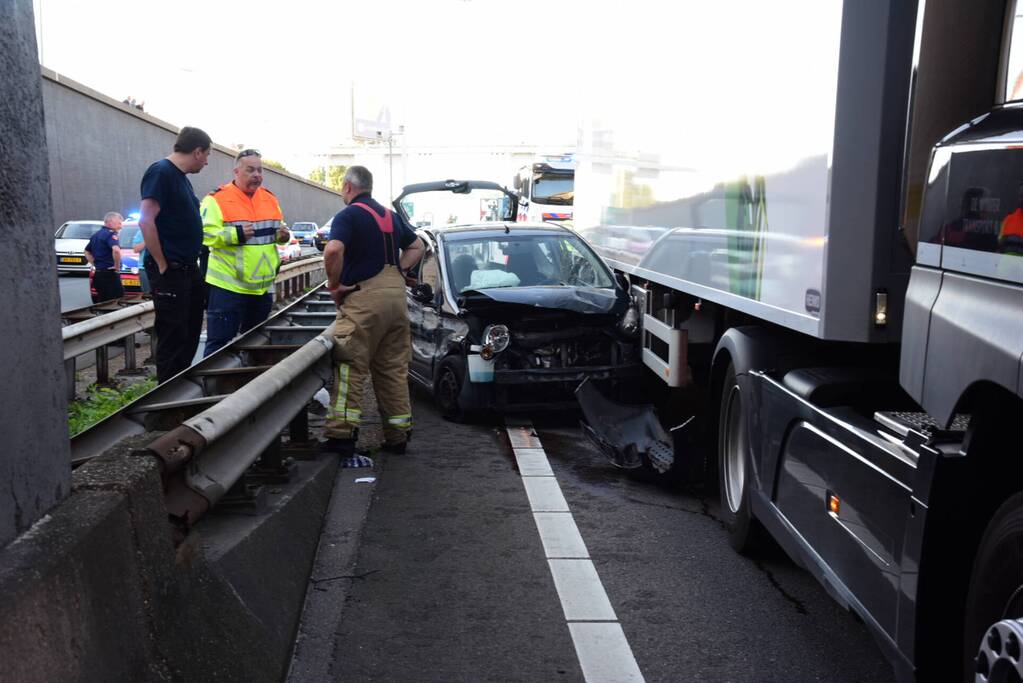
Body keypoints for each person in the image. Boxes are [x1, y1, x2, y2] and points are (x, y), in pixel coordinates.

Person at [321, 166, 425, 457]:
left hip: (365, 297)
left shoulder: (349, 215)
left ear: (347, 187)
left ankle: (341, 436)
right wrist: (400, 270)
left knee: (350, 365)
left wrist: (334, 286)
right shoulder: (390, 216)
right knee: (392, 369)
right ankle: (398, 435)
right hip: (396, 298)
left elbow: (332, 250)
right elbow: (417, 245)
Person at [138, 126, 211, 382]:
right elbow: (146, 221)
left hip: (187, 268)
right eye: (206, 155)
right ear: (197, 151)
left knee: (189, 331)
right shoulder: (161, 172)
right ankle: (166, 403)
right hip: (171, 269)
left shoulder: (181, 178)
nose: (206, 162)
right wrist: (162, 264)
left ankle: (181, 388)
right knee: (173, 335)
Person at [200, 149, 290, 355]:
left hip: (261, 289)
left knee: (256, 345)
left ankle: (249, 385)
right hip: (228, 287)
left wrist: (283, 236)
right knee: (219, 347)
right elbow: (204, 234)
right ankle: (213, 387)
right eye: (250, 170)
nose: (257, 175)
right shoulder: (216, 199)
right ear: (236, 172)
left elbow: (278, 231)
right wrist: (235, 235)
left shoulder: (269, 199)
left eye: (259, 170)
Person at [84, 211, 125, 301]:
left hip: (98, 275)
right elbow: (116, 250)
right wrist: (117, 267)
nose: (121, 226)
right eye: (119, 223)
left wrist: (95, 263)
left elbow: (87, 251)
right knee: (117, 303)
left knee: (103, 302)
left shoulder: (96, 235)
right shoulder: (111, 234)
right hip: (110, 276)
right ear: (110, 222)